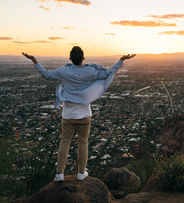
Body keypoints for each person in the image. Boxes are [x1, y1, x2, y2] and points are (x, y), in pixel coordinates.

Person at [22, 46, 135, 182]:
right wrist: (121, 60)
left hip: (68, 114)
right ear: (83, 58)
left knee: (65, 142)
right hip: (84, 114)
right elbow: (108, 73)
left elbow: (45, 74)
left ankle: (59, 174)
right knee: (83, 143)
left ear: (70, 58)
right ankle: (81, 173)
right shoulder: (90, 71)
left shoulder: (63, 71)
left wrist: (34, 60)